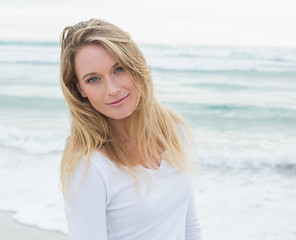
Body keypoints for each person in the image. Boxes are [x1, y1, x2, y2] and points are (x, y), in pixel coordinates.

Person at [59, 18, 203, 240]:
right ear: (80, 90)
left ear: (135, 65)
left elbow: (190, 226)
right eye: (94, 79)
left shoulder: (173, 130)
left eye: (118, 69)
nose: (112, 89)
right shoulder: (88, 167)